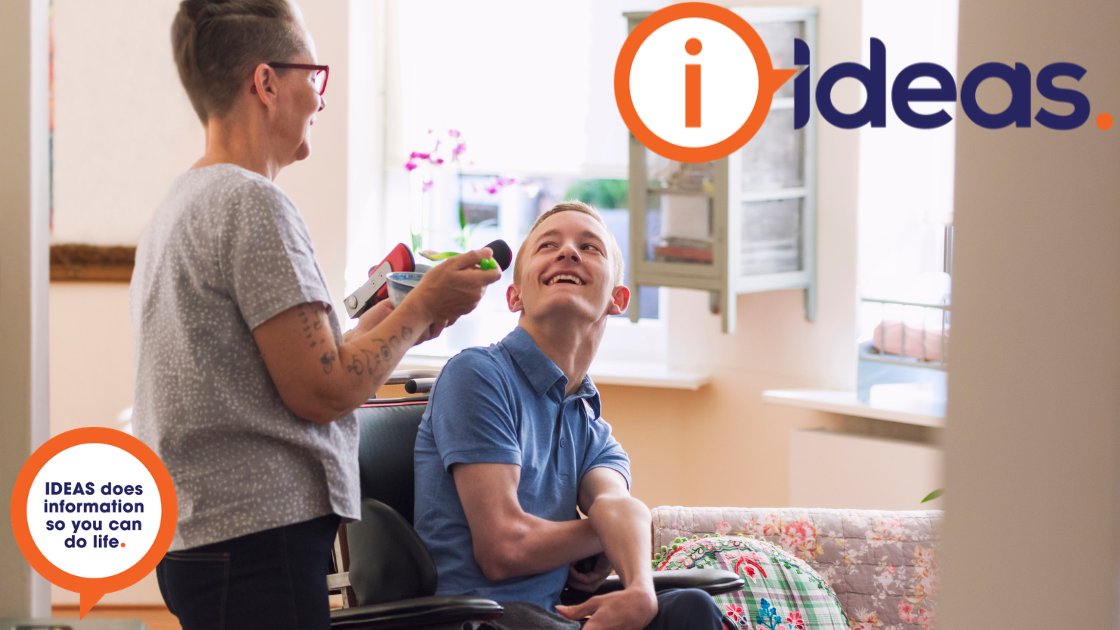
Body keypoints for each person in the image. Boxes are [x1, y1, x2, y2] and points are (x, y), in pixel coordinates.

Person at [130, 2, 501, 629]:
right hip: (254, 541)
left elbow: (291, 369)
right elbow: (324, 390)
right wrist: (420, 307)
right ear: (267, 82)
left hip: (206, 537)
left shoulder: (184, 201)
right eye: (314, 77)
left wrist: (392, 323)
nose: (321, 100)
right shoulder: (254, 205)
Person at [413, 202, 725, 630]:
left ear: (617, 299)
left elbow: (619, 504)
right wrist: (604, 532)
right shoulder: (477, 375)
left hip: (552, 618)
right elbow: (502, 549)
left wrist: (639, 589)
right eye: (548, 245)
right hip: (480, 621)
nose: (568, 252)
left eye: (589, 247)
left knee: (691, 607)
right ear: (514, 294)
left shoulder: (591, 426)